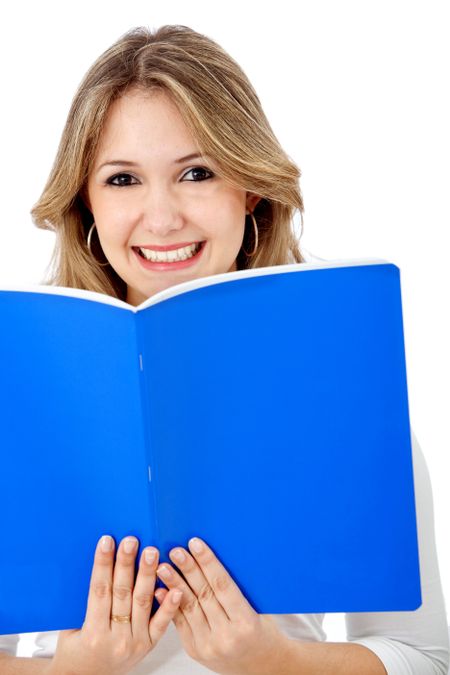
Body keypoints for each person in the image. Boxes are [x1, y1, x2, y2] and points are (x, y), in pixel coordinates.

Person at [0, 24, 449, 675]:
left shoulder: (347, 399)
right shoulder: (20, 398)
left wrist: (277, 660)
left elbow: (427, 658)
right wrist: (68, 671)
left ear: (251, 189)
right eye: (123, 179)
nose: (161, 218)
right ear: (86, 204)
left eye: (197, 172)